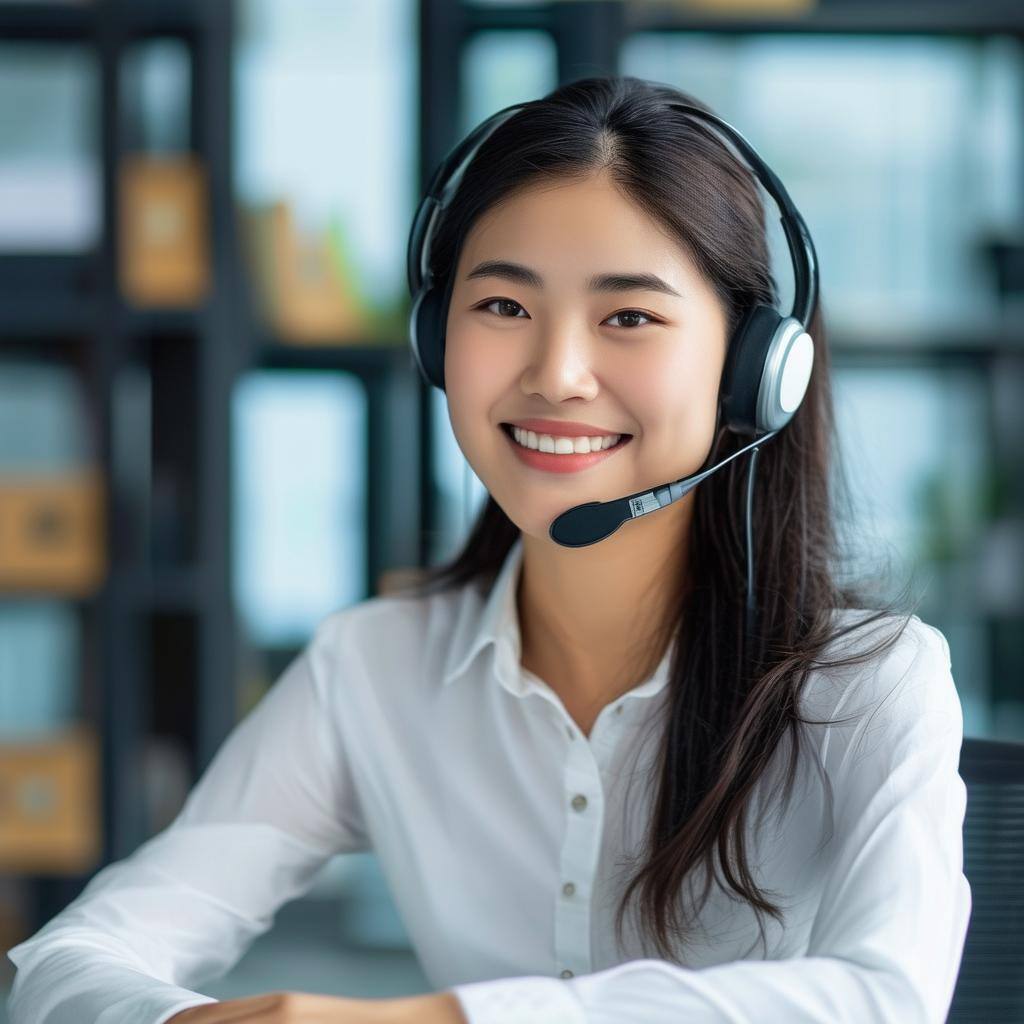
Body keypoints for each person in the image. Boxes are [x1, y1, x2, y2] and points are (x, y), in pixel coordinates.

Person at [6, 75, 970, 1024]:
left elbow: (886, 998)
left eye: (628, 316)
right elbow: (73, 959)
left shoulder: (869, 684)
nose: (555, 373)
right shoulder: (373, 670)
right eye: (503, 307)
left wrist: (450, 1020)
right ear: (436, 337)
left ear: (756, 370)